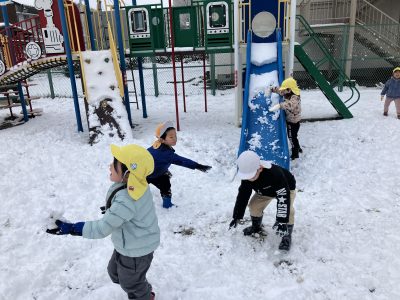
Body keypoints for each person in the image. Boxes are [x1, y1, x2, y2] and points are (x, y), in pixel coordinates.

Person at [47, 144, 160, 300]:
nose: (110, 166)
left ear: (128, 174)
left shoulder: (126, 201)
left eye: (114, 165)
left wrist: (73, 228)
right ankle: (139, 285)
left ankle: (145, 296)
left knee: (130, 284)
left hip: (137, 250)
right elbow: (129, 209)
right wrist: (112, 210)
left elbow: (102, 228)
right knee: (114, 273)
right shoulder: (135, 185)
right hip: (130, 243)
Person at [229, 150, 297, 251]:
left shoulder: (274, 174)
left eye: (250, 176)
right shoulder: (248, 178)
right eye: (245, 176)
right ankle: (256, 227)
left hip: (286, 189)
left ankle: (286, 235)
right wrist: (237, 216)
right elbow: (243, 195)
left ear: (260, 168)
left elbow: (283, 196)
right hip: (265, 192)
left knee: (289, 211)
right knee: (254, 206)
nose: (248, 179)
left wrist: (282, 221)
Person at [147, 121, 212, 208]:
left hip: (157, 172)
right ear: (162, 139)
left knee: (165, 184)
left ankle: (167, 203)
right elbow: (181, 161)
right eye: (171, 137)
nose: (175, 139)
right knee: (138, 190)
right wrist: (197, 165)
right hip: (145, 174)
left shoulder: (157, 145)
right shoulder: (165, 153)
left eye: (175, 136)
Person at [269, 77, 302, 160]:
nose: (283, 91)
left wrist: (280, 105)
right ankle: (297, 147)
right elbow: (280, 91)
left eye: (285, 90)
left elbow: (290, 105)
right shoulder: (288, 93)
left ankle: (295, 153)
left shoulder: (295, 98)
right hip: (293, 120)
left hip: (293, 122)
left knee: (291, 137)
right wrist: (273, 89)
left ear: (289, 89)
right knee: (294, 137)